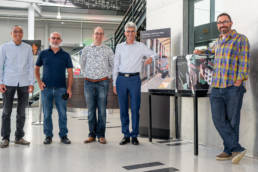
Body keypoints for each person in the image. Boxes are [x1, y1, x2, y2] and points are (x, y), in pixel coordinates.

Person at [193, 13, 250, 164]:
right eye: (219, 23)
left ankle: (228, 150)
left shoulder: (241, 39)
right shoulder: (218, 41)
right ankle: (236, 148)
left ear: (231, 23)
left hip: (233, 86)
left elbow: (244, 62)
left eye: (225, 22)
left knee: (232, 121)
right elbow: (211, 51)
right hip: (217, 86)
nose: (222, 24)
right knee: (218, 119)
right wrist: (201, 51)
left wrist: (239, 81)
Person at [113, 22, 155, 145]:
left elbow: (154, 53)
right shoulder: (119, 47)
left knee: (135, 108)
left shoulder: (141, 46)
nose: (130, 34)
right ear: (125, 33)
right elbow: (116, 65)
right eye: (128, 31)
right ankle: (126, 135)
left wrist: (151, 58)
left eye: (132, 31)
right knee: (123, 109)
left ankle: (134, 135)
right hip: (121, 79)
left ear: (135, 33)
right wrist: (114, 83)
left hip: (134, 80)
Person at [35, 32, 73, 145]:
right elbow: (36, 69)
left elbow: (70, 73)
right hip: (46, 89)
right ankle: (48, 136)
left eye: (57, 38)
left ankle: (63, 135)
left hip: (61, 89)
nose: (55, 40)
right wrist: (39, 82)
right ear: (49, 39)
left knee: (62, 113)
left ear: (60, 41)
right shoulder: (43, 53)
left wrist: (69, 88)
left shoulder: (66, 55)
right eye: (53, 38)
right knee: (47, 114)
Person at [0, 25, 34, 148]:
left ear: (23, 34)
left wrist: (31, 83)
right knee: (6, 111)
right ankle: (5, 138)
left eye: (20, 32)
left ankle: (19, 137)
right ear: (11, 33)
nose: (18, 34)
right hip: (8, 82)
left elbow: (30, 66)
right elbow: (0, 65)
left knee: (22, 112)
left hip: (24, 83)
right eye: (15, 32)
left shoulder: (28, 48)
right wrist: (1, 82)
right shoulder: (4, 47)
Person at [80, 26, 114, 144]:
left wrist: (107, 76)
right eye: (96, 33)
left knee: (102, 111)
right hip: (88, 83)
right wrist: (86, 74)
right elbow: (82, 64)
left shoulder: (108, 50)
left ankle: (101, 135)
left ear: (103, 36)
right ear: (93, 35)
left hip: (103, 83)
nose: (98, 36)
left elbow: (112, 65)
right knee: (90, 111)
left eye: (100, 34)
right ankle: (91, 135)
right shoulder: (86, 49)